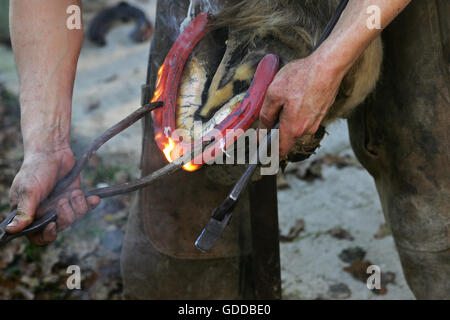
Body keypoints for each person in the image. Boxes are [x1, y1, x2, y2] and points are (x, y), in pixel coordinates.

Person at [7, 0, 448, 299]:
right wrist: (47, 144)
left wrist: (331, 62)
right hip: (222, 8)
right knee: (176, 262)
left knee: (431, 195)